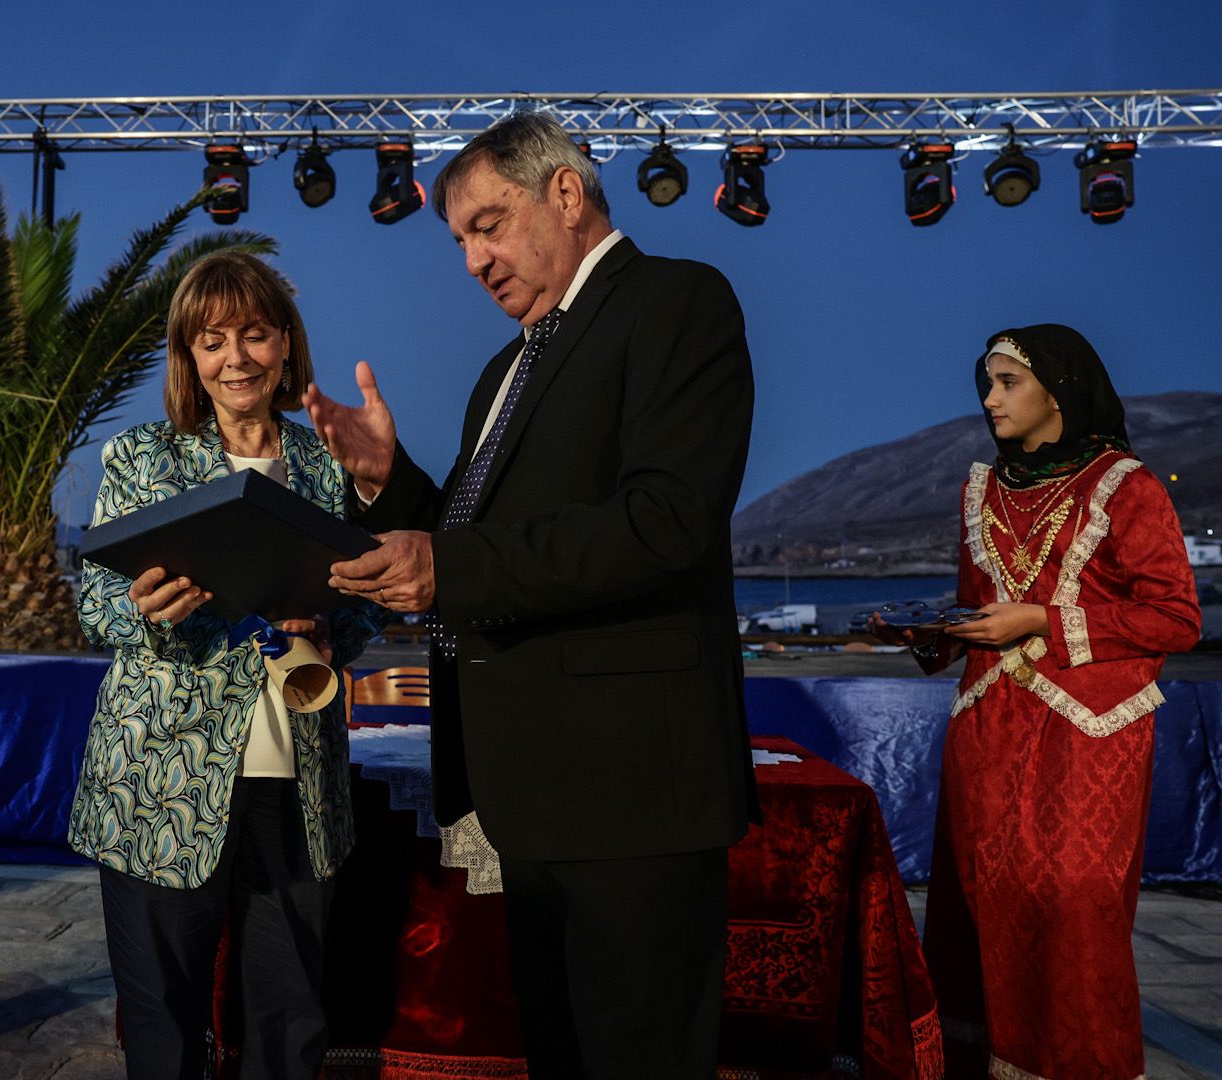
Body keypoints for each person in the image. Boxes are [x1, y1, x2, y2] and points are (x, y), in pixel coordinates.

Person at [304, 112, 757, 1078]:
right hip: (530, 791)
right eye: (460, 241)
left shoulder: (677, 301)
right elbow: (478, 540)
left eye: (489, 225)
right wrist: (392, 482)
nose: (474, 260)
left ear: (565, 192)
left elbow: (665, 521)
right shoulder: (504, 370)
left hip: (634, 792)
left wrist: (446, 566)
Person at [68, 252, 390, 1080]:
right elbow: (96, 604)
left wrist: (332, 622)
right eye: (212, 342)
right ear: (189, 355)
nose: (236, 359)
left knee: (290, 1018)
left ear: (286, 343)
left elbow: (368, 602)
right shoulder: (142, 457)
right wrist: (148, 612)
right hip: (160, 782)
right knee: (163, 1016)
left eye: (254, 335)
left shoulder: (329, 464)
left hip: (299, 781)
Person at [871, 325, 1200, 1078]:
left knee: (1074, 911)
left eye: (1007, 382)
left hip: (1089, 736)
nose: (990, 400)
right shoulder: (980, 490)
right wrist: (928, 632)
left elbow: (1176, 618)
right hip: (988, 729)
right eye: (986, 384)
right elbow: (976, 610)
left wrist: (1042, 620)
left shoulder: (1126, 486)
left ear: (1059, 390)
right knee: (980, 904)